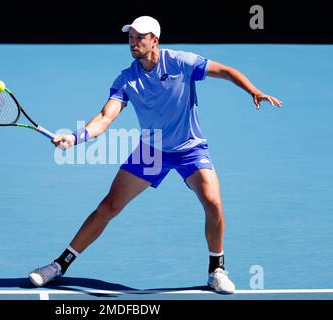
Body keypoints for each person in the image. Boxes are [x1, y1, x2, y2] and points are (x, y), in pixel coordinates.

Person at [28, 16, 282, 294]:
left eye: (139, 37)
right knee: (108, 207)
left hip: (190, 149)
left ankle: (217, 270)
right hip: (152, 152)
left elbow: (224, 71)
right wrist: (76, 136)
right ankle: (59, 265)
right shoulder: (127, 79)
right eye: (130, 38)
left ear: (154, 41)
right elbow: (105, 117)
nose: (133, 43)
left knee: (213, 203)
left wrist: (253, 90)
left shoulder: (181, 62)